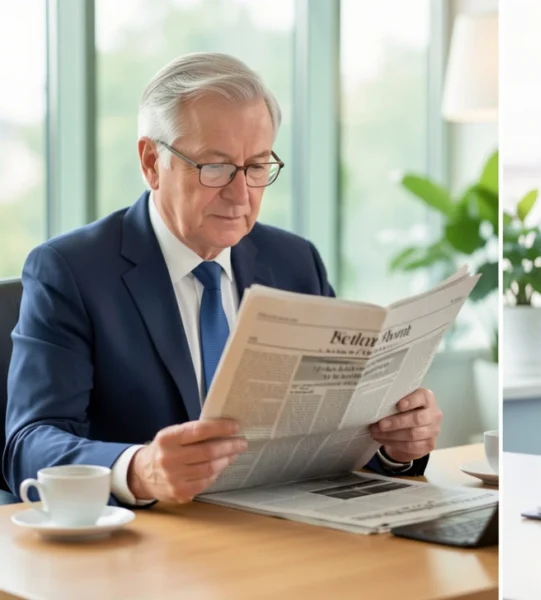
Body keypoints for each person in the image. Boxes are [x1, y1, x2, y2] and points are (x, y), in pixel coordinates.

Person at [4, 53, 443, 505]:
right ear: (152, 162)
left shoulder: (295, 261)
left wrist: (393, 446)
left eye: (256, 167)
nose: (240, 195)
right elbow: (28, 444)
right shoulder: (71, 270)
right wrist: (138, 469)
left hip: (286, 532)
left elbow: (331, 437)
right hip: (151, 544)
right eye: (215, 167)